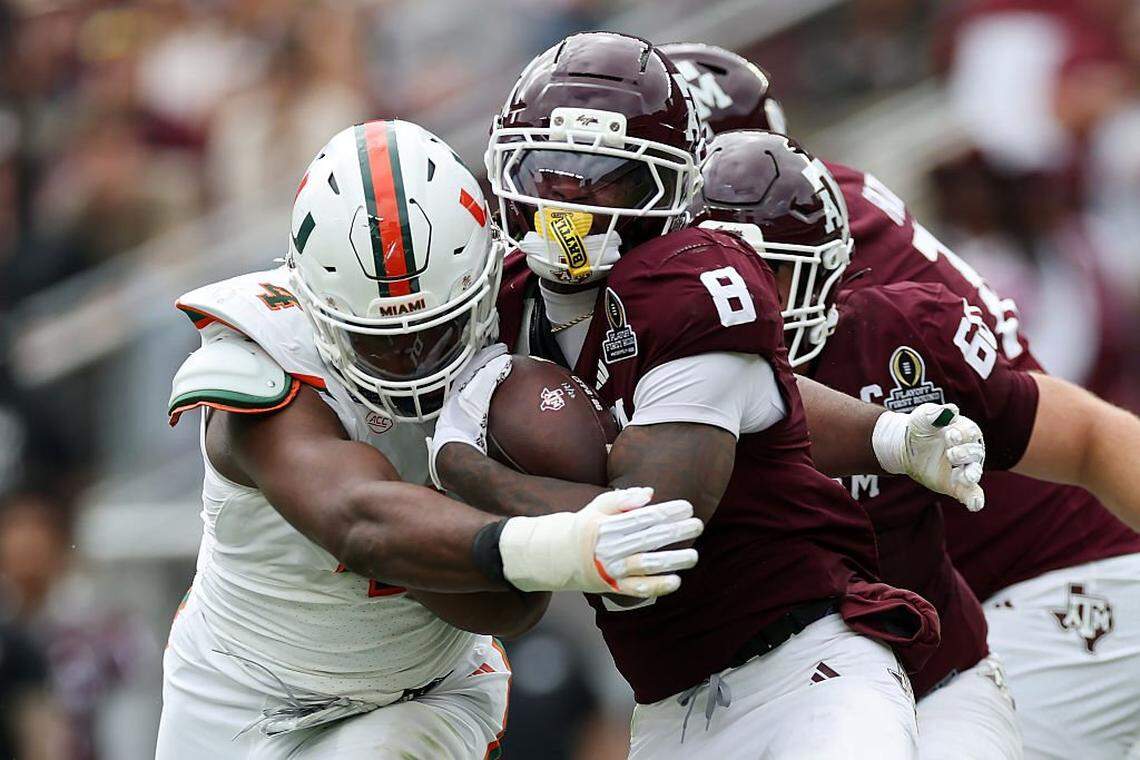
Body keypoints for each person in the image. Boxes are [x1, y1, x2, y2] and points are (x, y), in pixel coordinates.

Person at [431, 31, 987, 759]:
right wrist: (884, 435)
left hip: (806, 669)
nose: (570, 204)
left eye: (605, 177)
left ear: (667, 188)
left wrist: (461, 465)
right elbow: (770, 396)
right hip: (668, 705)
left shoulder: (693, 283)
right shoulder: (505, 297)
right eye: (549, 171)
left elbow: (654, 531)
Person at [155, 118, 702, 759]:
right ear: (315, 309)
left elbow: (511, 611)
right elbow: (358, 520)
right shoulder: (266, 358)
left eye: (438, 330)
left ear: (483, 282)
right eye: (381, 343)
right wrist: (559, 542)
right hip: (238, 697)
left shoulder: (513, 333)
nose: (416, 362)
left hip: (426, 695)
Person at [670, 41, 1140, 759]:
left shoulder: (783, 254)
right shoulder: (808, 217)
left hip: (1040, 593)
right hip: (995, 603)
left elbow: (1077, 431)